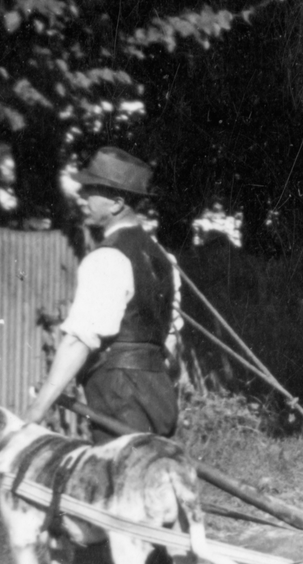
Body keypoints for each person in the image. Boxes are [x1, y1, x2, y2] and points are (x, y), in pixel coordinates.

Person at [22, 146, 183, 440]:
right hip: (159, 394)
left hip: (120, 399)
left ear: (117, 203)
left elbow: (77, 342)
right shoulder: (163, 259)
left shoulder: (106, 259)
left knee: (119, 483)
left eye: (91, 190)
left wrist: (36, 410)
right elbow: (170, 336)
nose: (82, 197)